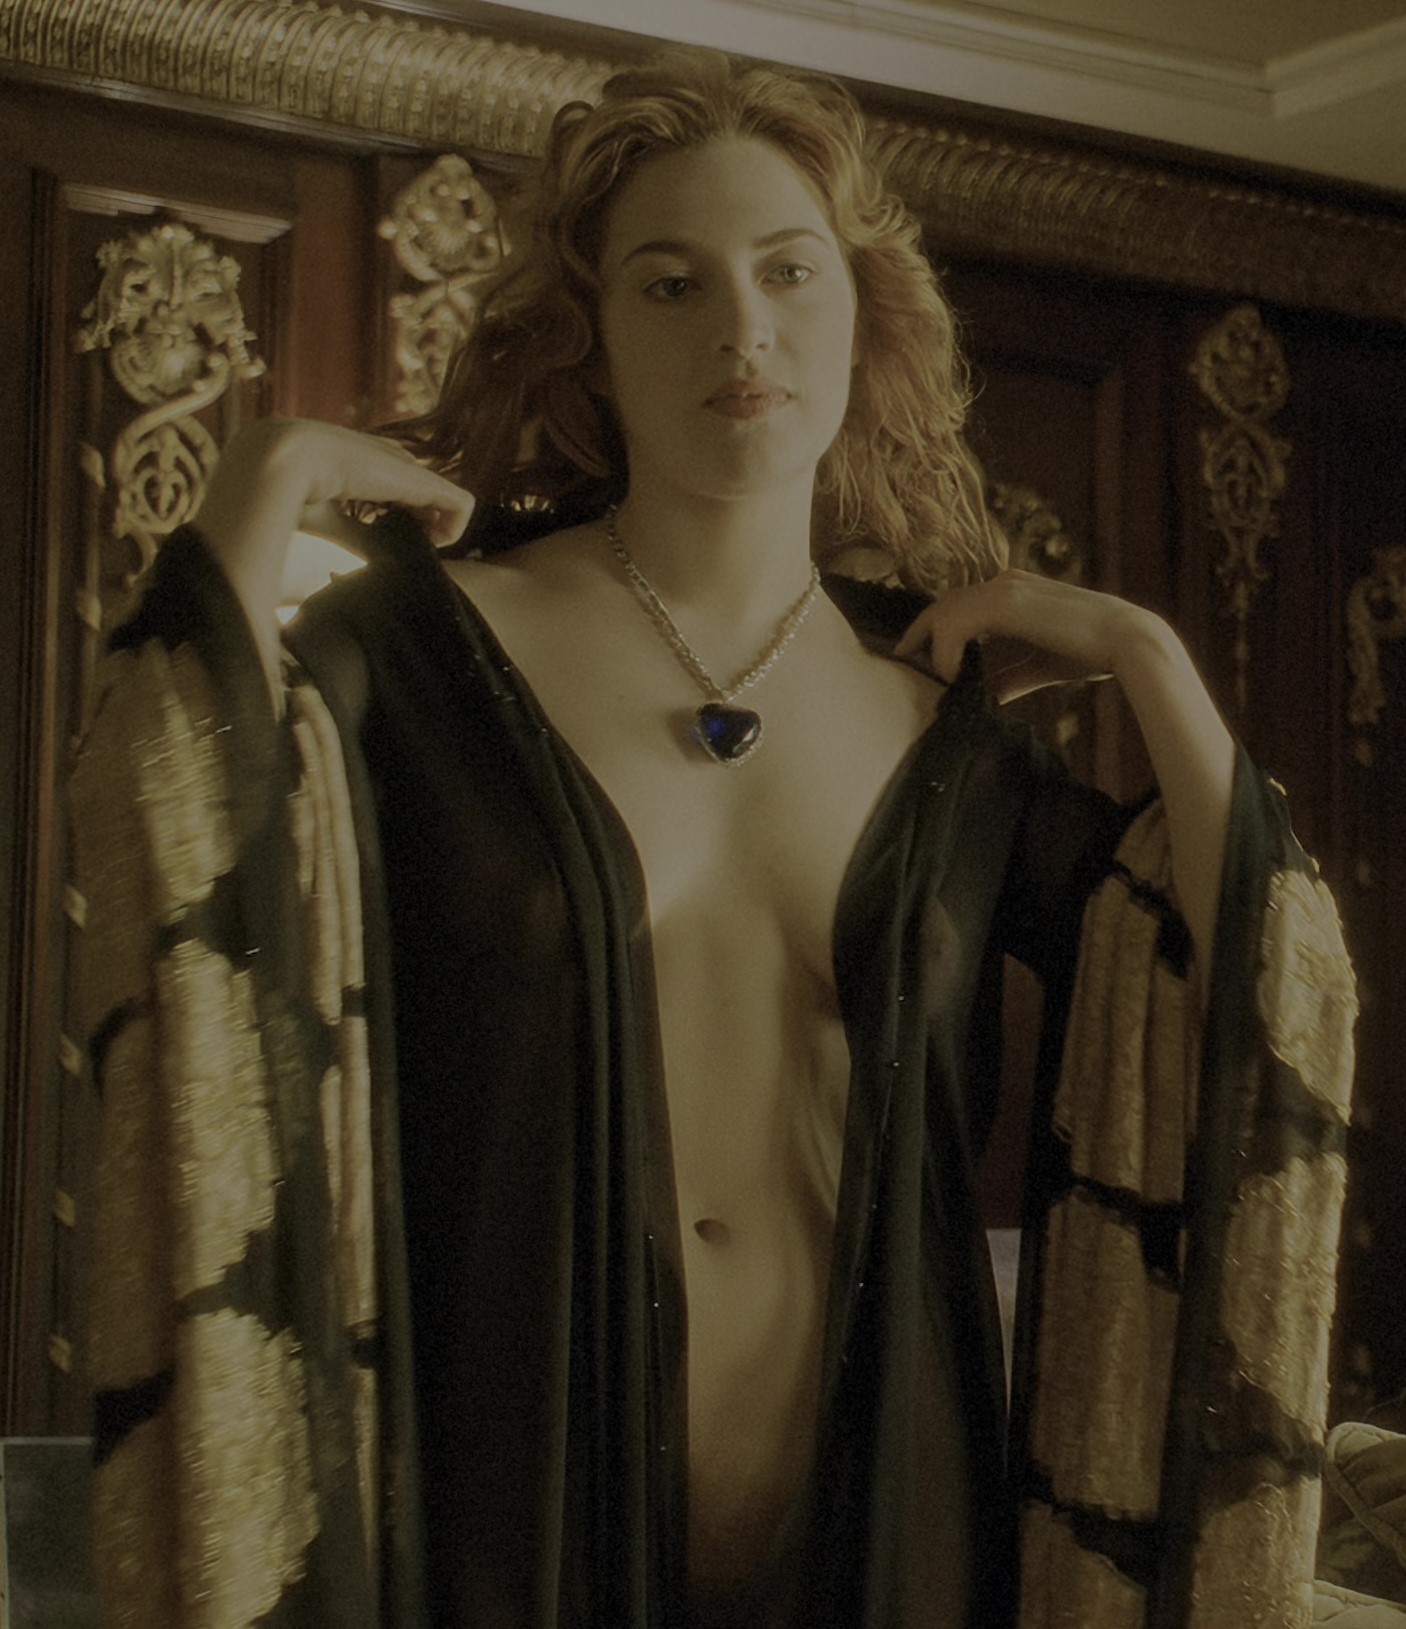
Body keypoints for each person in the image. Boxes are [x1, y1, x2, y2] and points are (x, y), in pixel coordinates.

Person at [74, 48, 1357, 1629]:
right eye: (669, 283)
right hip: (506, 1522)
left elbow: (1258, 983)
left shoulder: (943, 725)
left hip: (893, 1537)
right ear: (592, 334)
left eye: (786, 271)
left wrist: (1148, 657)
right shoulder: (420, 652)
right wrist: (264, 477)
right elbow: (167, 812)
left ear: (861, 317)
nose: (739, 327)